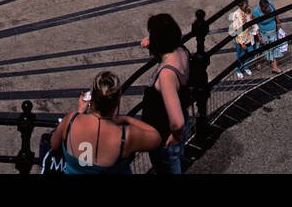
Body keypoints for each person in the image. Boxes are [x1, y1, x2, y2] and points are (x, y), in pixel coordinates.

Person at [49, 71, 162, 174]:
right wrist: (126, 119)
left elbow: (54, 145)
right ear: (117, 101)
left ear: (92, 97)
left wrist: (79, 112)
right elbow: (156, 138)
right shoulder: (126, 136)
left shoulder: (70, 121)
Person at [139, 13, 191, 174]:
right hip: (181, 120)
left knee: (170, 168)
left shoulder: (166, 75)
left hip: (165, 138)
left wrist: (175, 136)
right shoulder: (182, 52)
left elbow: (177, 122)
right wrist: (152, 45)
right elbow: (167, 51)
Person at [228, 0, 258, 80]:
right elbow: (235, 30)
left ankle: (245, 66)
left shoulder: (248, 12)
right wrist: (241, 43)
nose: (247, 6)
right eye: (246, 5)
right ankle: (238, 69)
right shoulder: (236, 15)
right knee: (240, 55)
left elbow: (251, 21)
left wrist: (254, 29)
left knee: (251, 53)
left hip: (249, 36)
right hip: (241, 39)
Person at [252, 0, 284, 74]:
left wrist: (278, 23)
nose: (268, 11)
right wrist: (259, 37)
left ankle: (274, 67)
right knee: (260, 49)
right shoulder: (256, 12)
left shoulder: (271, 4)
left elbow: (275, 14)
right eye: (266, 11)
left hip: (273, 32)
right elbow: (254, 25)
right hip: (263, 33)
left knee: (273, 48)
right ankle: (257, 62)